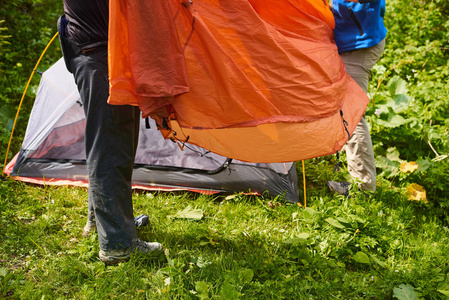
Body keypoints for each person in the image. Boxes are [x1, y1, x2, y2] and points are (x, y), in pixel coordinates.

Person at [59, 0, 162, 265]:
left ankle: (106, 223)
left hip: (99, 54)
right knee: (111, 146)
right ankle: (118, 244)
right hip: (101, 57)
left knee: (110, 142)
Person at [326, 0, 387, 196]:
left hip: (360, 45)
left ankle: (363, 186)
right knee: (342, 109)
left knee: (351, 114)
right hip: (344, 40)